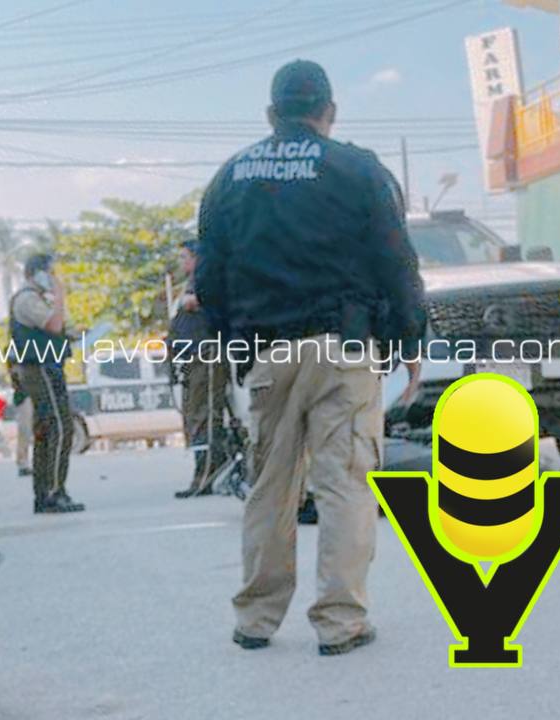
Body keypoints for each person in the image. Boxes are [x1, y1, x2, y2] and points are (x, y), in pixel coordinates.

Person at [196, 60, 425, 657]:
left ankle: (255, 619)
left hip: (268, 353)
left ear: (271, 115)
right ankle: (340, 621)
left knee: (269, 486)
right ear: (330, 112)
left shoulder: (231, 176)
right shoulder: (358, 169)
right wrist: (409, 339)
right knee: (344, 483)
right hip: (343, 350)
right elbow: (397, 259)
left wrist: (233, 345)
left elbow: (209, 277)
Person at [9, 254, 85, 514]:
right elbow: (53, 324)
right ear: (38, 273)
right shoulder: (27, 298)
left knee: (45, 430)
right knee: (59, 427)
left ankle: (45, 493)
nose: (54, 278)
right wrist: (60, 295)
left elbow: (53, 329)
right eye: (51, 272)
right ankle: (54, 491)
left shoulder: (34, 298)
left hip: (44, 366)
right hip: (40, 368)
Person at [169, 239, 231, 499]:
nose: (182, 262)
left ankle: (207, 474)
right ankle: (203, 470)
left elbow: (212, 302)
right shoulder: (191, 283)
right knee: (194, 416)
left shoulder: (209, 280)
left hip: (207, 353)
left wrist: (192, 301)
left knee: (205, 414)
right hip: (190, 357)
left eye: (185, 257)